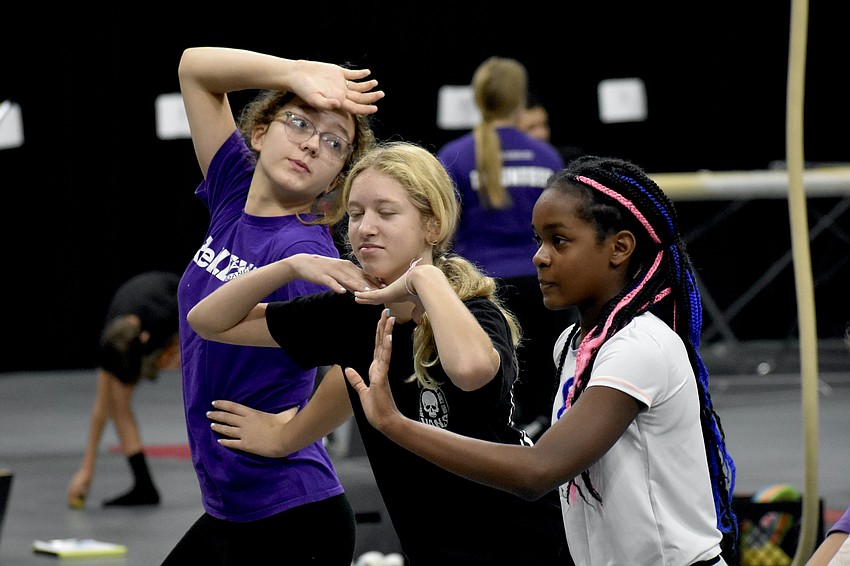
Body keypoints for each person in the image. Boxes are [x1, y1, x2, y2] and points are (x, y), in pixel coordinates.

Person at [345, 155, 740, 565]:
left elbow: (538, 471)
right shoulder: (574, 343)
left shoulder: (640, 345)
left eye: (559, 241)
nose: (540, 256)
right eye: (538, 240)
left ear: (620, 248)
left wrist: (395, 425)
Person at [188, 141, 570, 565]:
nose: (365, 227)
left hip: (526, 543)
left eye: (386, 213)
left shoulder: (474, 311)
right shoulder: (352, 314)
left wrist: (423, 278)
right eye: (354, 214)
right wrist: (289, 266)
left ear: (432, 226)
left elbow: (471, 370)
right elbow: (209, 321)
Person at [162, 47, 382, 566]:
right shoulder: (233, 190)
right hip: (230, 507)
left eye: (333, 144)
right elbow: (194, 68)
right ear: (259, 132)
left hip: (291, 516)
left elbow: (365, 357)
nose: (310, 143)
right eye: (299, 121)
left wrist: (289, 436)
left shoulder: (305, 255)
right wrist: (296, 73)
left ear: (335, 181)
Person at [437, 56, 573, 441]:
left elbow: (442, 229)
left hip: (481, 290)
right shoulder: (545, 156)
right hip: (541, 285)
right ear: (519, 102)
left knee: (491, 387)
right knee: (544, 387)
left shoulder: (454, 155)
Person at [66, 270, 180, 509]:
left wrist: (174, 353)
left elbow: (198, 310)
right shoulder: (111, 339)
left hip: (176, 302)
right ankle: (144, 485)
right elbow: (101, 406)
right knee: (116, 401)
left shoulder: (165, 315)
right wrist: (87, 469)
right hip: (141, 321)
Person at [519, 93, 585, 165]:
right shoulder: (507, 163)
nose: (543, 133)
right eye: (531, 128)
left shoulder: (569, 159)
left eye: (545, 124)